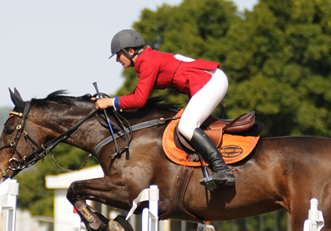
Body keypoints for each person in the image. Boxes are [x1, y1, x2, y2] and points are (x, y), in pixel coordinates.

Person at [95, 29, 235, 188]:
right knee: (188, 124)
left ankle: (222, 168)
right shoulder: (147, 59)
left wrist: (111, 102)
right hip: (209, 81)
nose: (117, 60)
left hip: (211, 81)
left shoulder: (146, 61)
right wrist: (110, 103)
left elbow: (139, 100)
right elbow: (137, 95)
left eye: (118, 55)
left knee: (186, 126)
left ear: (131, 51)